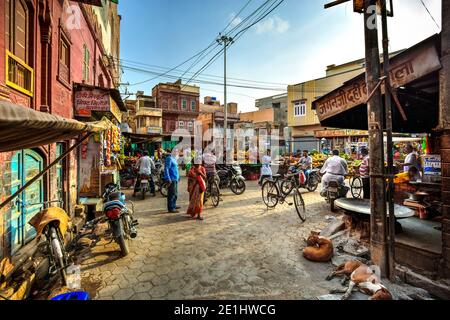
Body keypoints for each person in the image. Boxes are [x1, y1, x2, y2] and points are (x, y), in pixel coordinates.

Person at [164, 149, 181, 213]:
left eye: (177, 151)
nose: (176, 152)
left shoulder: (174, 159)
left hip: (175, 178)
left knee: (175, 193)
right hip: (171, 179)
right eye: (175, 151)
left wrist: (178, 177)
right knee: (171, 194)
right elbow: (166, 169)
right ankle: (171, 208)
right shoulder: (169, 158)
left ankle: (173, 205)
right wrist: (168, 178)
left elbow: (175, 169)